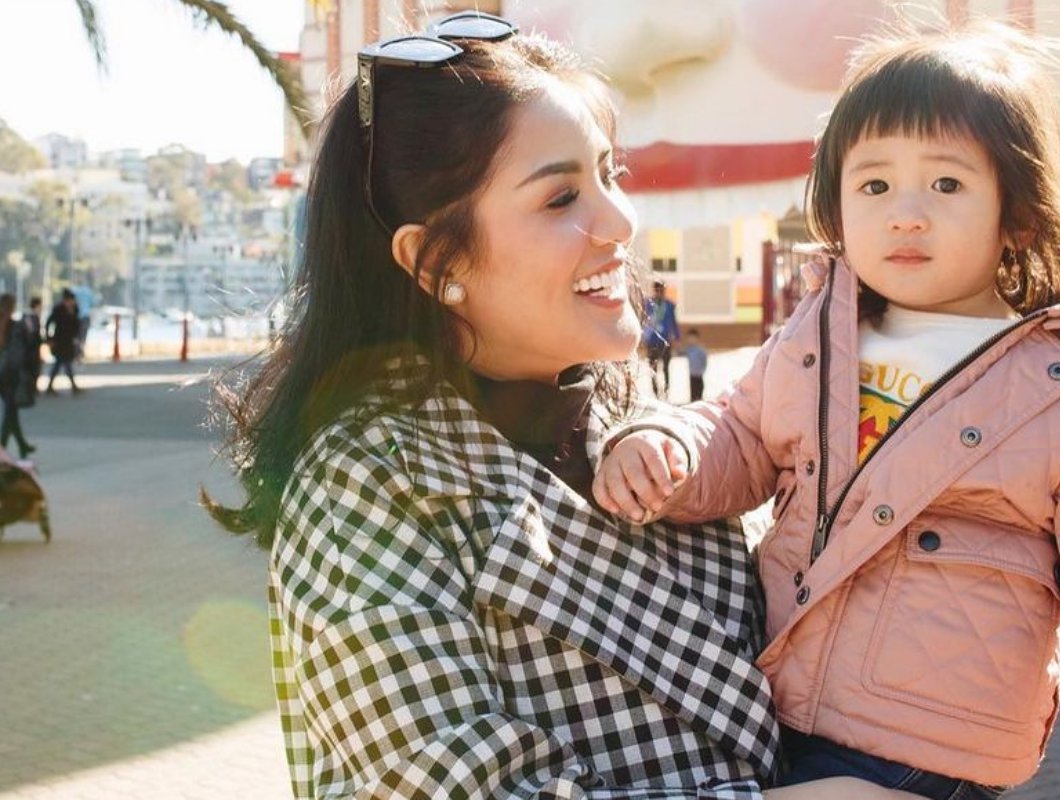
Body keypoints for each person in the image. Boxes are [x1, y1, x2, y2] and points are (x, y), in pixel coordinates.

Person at [201, 12, 912, 800]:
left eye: (611, 175)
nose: (619, 221)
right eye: (561, 197)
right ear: (434, 259)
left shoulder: (636, 411)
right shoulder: (372, 478)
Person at [594, 21, 1060, 799]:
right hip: (773, 707)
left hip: (924, 758)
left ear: (1016, 213)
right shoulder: (818, 335)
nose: (905, 212)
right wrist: (667, 444)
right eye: (874, 184)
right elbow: (742, 433)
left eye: (946, 184)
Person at [0, 294, 36, 458]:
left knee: (11, 411)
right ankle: (2, 447)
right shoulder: (16, 326)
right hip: (10, 373)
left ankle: (22, 445)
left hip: (2, 373)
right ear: (12, 306)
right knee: (10, 411)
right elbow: (23, 350)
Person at [642, 279, 680, 397]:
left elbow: (673, 321)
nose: (660, 293)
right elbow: (643, 321)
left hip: (665, 341)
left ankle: (666, 390)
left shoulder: (669, 305)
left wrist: (677, 337)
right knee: (653, 368)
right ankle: (655, 391)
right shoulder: (648, 304)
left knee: (666, 367)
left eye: (662, 290)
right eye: (657, 290)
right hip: (652, 340)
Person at [44, 289, 81, 395]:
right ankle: (72, 386)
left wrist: (76, 337)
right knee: (64, 363)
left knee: (61, 363)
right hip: (59, 341)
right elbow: (48, 323)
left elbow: (76, 325)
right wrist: (49, 338)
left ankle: (51, 386)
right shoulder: (58, 310)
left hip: (69, 341)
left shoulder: (75, 309)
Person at [684, 326, 708, 401]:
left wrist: (703, 369)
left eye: (693, 338)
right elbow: (680, 352)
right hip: (692, 373)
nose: (691, 341)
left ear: (697, 339)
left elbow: (704, 360)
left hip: (699, 374)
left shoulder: (701, 350)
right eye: (689, 339)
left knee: (699, 388)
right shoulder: (688, 349)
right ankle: (693, 400)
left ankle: (699, 399)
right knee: (692, 389)